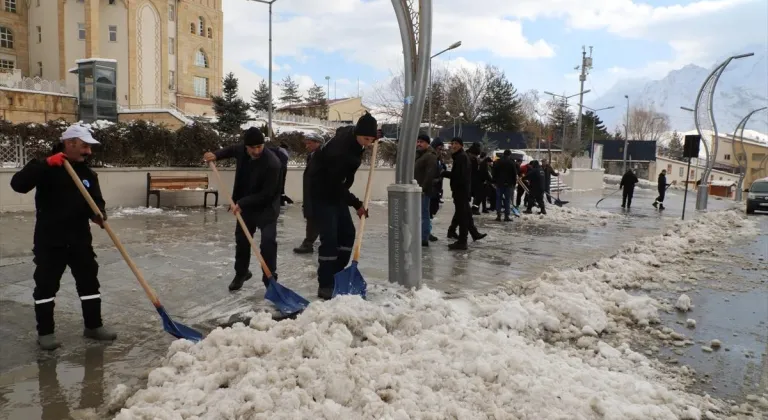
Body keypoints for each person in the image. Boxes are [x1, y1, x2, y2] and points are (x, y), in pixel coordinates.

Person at [10, 124, 117, 350]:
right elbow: (18, 185)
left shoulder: (88, 173)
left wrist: (99, 213)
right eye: (84, 146)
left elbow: (96, 200)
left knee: (89, 282)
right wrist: (46, 164)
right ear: (69, 144)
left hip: (79, 239)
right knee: (46, 287)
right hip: (50, 241)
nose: (89, 151)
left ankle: (93, 326)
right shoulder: (46, 167)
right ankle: (45, 333)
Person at [203, 127, 282, 292]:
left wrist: (242, 202)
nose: (256, 150)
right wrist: (216, 155)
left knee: (268, 242)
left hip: (266, 208)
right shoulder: (242, 150)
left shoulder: (272, 163)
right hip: (246, 207)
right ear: (246, 146)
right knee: (242, 241)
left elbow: (267, 194)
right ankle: (241, 273)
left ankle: (270, 279)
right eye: (252, 147)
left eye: (260, 146)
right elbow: (231, 149)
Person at [309, 112, 377, 299]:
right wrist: (356, 204)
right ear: (357, 133)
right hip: (323, 192)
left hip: (336, 191)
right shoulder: (339, 152)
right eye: (366, 139)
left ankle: (337, 274)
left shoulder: (354, 137)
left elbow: (340, 184)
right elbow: (334, 184)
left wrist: (374, 134)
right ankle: (325, 284)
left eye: (371, 139)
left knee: (347, 235)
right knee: (330, 240)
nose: (368, 143)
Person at [443, 137, 486, 250]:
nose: (453, 146)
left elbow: (459, 176)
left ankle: (462, 241)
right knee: (465, 215)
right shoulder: (461, 157)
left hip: (460, 191)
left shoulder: (462, 157)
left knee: (463, 217)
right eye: (452, 143)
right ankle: (473, 234)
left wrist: (444, 173)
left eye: (456, 143)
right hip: (463, 190)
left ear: (461, 145)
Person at [293, 133, 324, 254]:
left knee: (314, 218)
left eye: (309, 143)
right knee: (313, 217)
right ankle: (312, 242)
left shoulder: (322, 156)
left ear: (318, 143)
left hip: (318, 193)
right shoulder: (312, 156)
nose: (307, 146)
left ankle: (308, 243)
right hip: (311, 192)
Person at [414, 134, 438, 247]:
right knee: (419, 213)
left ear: (427, 143)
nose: (419, 144)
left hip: (423, 190)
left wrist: (423, 188)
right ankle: (420, 235)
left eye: (421, 142)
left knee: (424, 214)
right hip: (417, 189)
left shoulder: (430, 156)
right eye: (418, 141)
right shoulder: (420, 154)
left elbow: (430, 174)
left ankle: (424, 237)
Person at [492, 149, 518, 221]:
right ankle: (506, 216)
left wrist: (494, 182)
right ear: (509, 155)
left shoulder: (498, 162)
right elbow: (514, 173)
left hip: (499, 184)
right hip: (508, 184)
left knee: (499, 199)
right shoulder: (511, 162)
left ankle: (498, 215)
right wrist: (514, 183)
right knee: (507, 200)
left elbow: (494, 172)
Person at [429, 138, 446, 228]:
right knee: (429, 211)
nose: (440, 151)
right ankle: (426, 233)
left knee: (433, 209)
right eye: (439, 149)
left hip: (437, 189)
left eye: (441, 149)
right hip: (431, 188)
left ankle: (427, 231)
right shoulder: (431, 157)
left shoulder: (439, 158)